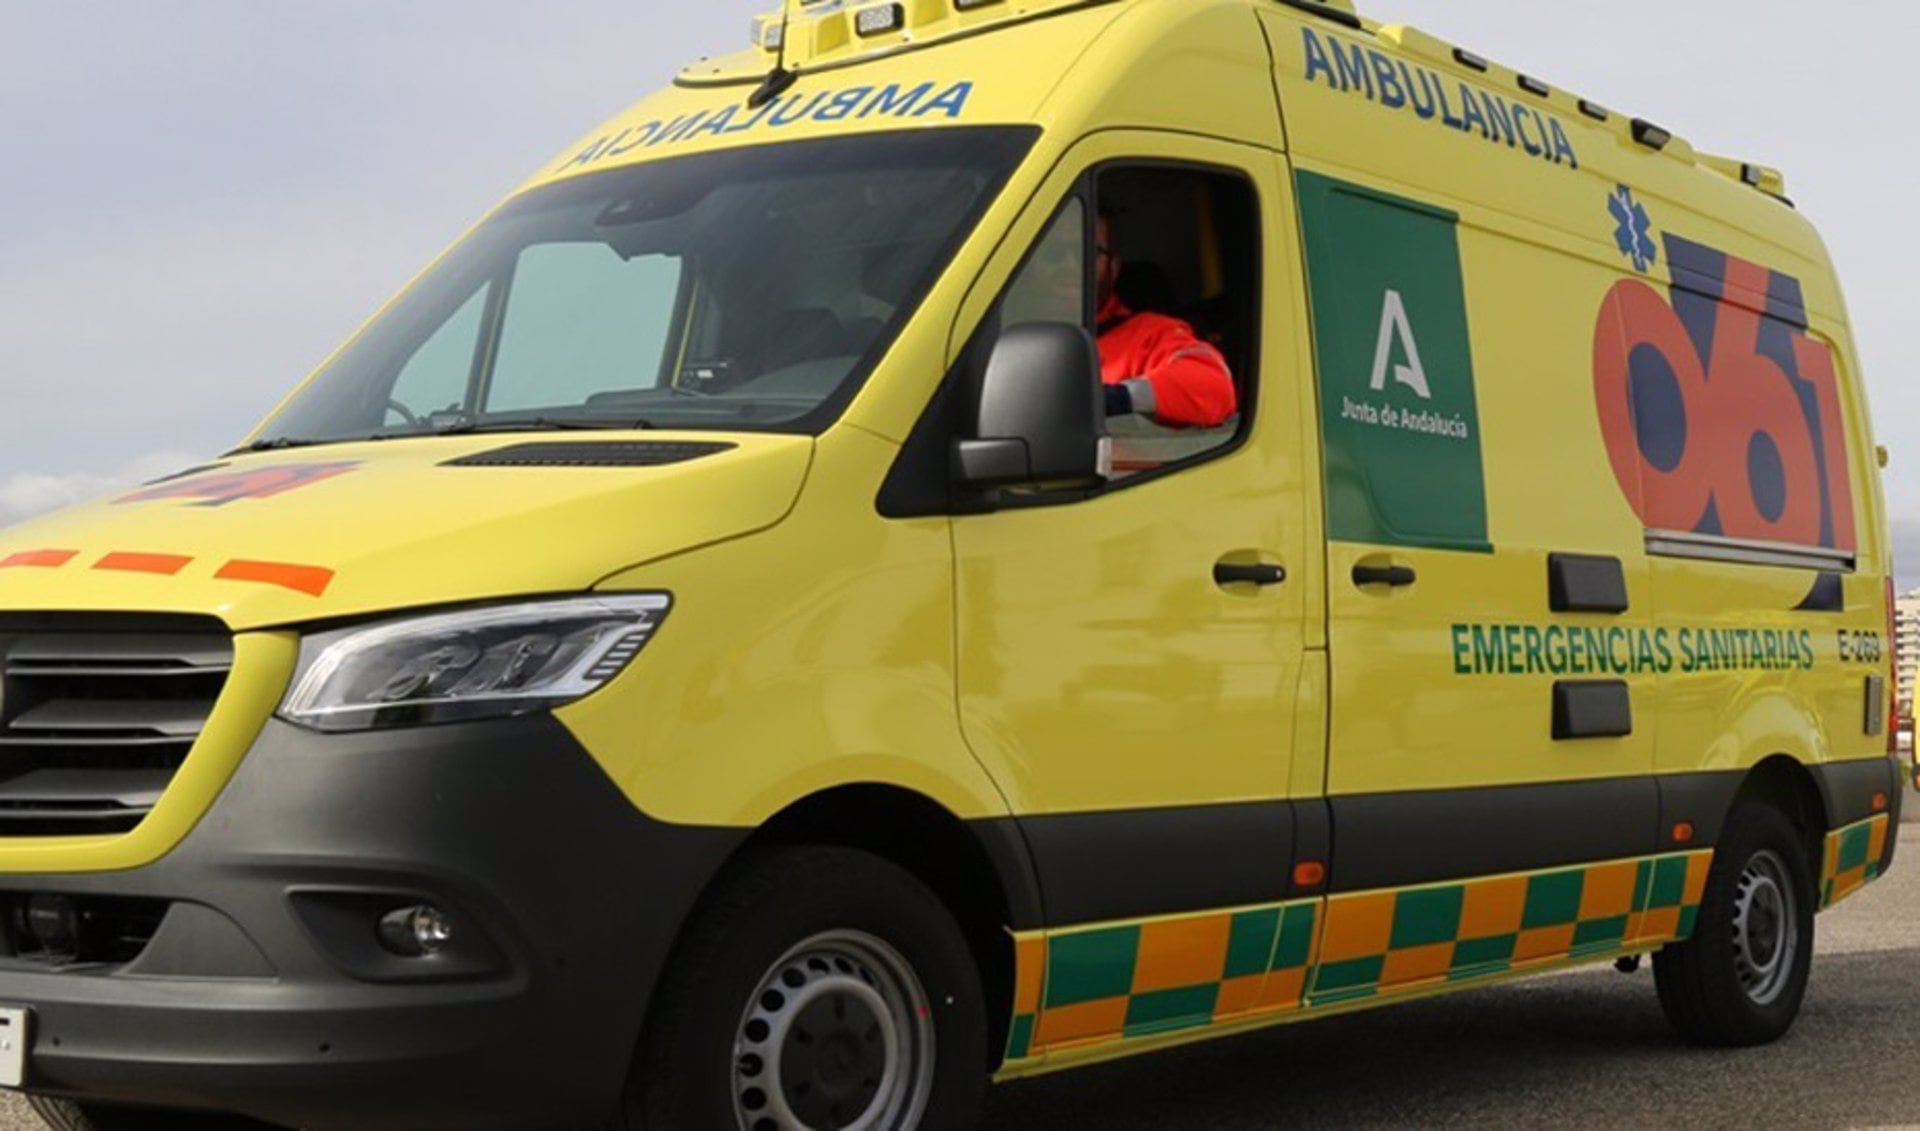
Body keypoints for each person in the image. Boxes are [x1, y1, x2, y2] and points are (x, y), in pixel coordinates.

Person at [1094, 210, 1237, 428]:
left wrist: (1118, 399)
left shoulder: (1149, 334)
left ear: (1114, 268)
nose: (1069, 262)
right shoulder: (1023, 329)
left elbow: (1215, 387)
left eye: (1088, 251)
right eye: (1053, 253)